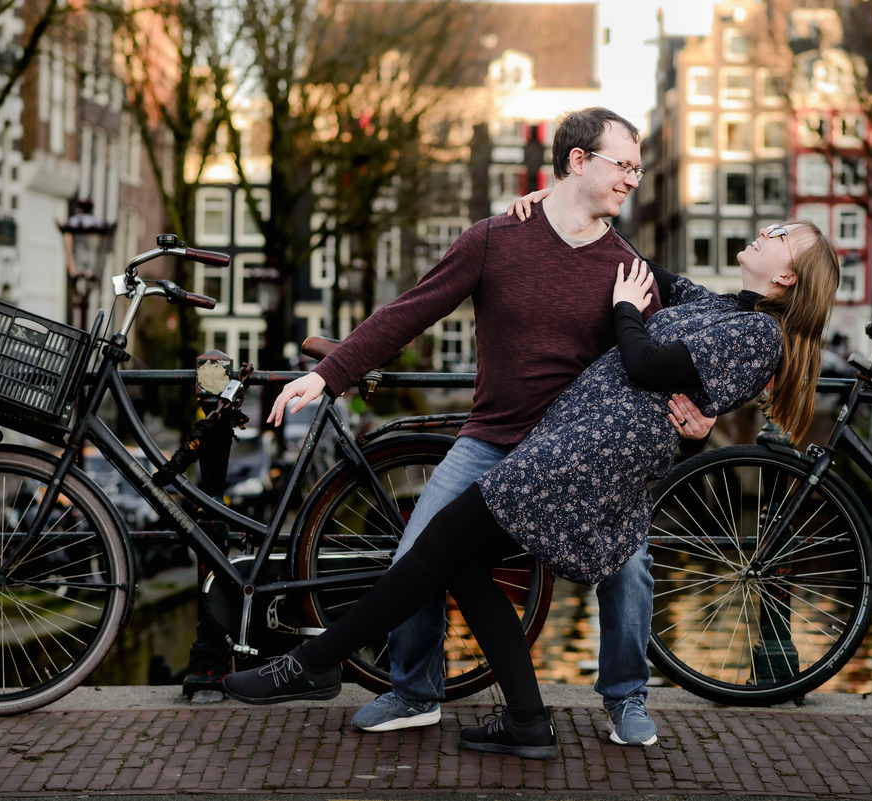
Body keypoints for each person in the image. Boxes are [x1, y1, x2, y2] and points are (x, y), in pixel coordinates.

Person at [224, 219, 842, 761]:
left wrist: (627, 310)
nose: (767, 231)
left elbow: (646, 366)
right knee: (462, 567)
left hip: (585, 459)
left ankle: (313, 663)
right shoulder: (729, 310)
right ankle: (525, 720)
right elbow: (650, 270)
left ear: (789, 277)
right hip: (576, 446)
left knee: (438, 545)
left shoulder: (760, 336)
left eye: (781, 236)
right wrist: (557, 208)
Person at [243, 106, 712, 748]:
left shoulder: (628, 270)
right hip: (492, 437)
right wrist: (329, 376)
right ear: (578, 161)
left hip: (575, 456)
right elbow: (411, 311)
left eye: (638, 167)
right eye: (623, 165)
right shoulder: (496, 237)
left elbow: (675, 350)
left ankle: (625, 697)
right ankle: (414, 691)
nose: (633, 179)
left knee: (628, 565)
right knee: (416, 552)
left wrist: (702, 412)